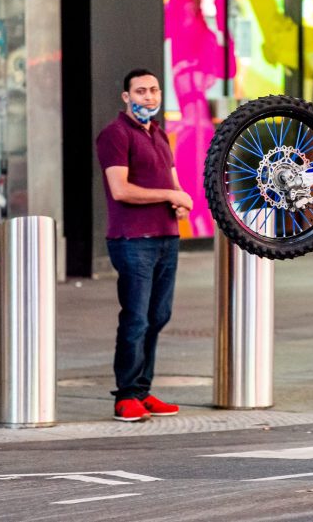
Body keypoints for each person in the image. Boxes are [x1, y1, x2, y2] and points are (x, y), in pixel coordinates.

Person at [96, 69, 193, 423]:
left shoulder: (159, 134)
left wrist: (179, 201)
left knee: (158, 316)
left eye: (153, 90)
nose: (148, 97)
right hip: (132, 240)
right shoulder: (115, 135)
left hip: (166, 237)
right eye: (140, 91)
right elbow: (120, 189)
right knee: (135, 318)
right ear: (126, 96)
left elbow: (173, 181)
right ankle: (125, 396)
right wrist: (170, 194)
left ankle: (141, 389)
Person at [164, 0, 235, 237]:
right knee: (196, 194)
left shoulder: (209, 17)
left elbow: (227, 67)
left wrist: (220, 15)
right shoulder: (178, 6)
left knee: (210, 193)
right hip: (190, 126)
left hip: (205, 127)